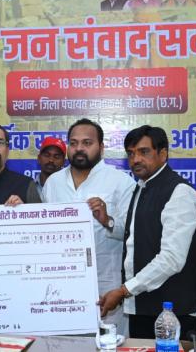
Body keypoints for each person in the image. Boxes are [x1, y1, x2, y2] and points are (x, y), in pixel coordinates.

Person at [99, 126, 196, 338]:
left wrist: (123, 291)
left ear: (163, 154)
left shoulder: (179, 191)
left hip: (174, 311)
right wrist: (107, 220)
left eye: (144, 152)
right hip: (142, 306)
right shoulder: (140, 187)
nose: (136, 159)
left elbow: (172, 258)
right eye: (131, 153)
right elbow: (137, 237)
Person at [42, 119, 134, 335]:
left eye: (87, 143)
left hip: (107, 286)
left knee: (109, 343)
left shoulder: (121, 182)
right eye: (73, 143)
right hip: (60, 284)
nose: (79, 148)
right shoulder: (53, 183)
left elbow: (132, 234)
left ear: (101, 147)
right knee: (64, 343)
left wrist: (107, 220)